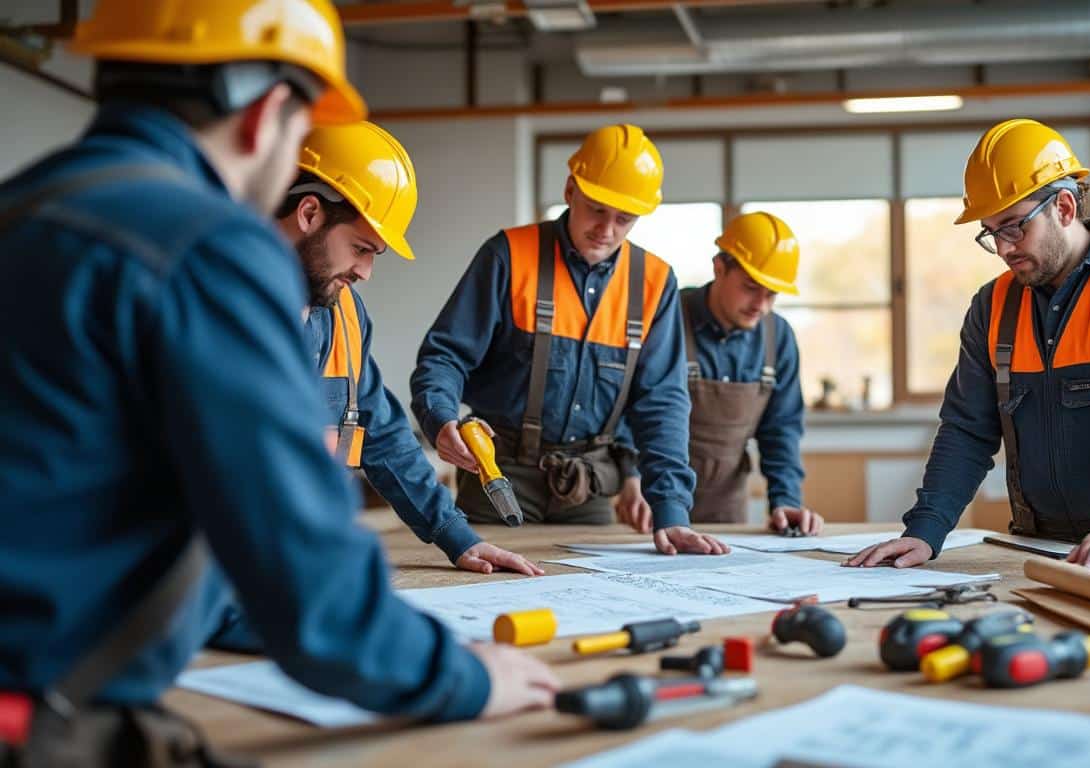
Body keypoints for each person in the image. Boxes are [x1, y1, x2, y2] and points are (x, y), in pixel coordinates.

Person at [0, 1, 556, 763]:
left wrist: (451, 535)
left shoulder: (25, 211)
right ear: (267, 115)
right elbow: (310, 585)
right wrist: (460, 677)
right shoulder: (208, 246)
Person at [848, 118, 1090, 572]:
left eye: (1014, 227)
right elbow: (966, 429)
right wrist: (926, 530)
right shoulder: (992, 306)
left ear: (1066, 208)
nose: (1003, 248)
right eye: (991, 232)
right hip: (1047, 544)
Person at [411, 123, 727, 555]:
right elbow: (444, 356)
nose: (607, 230)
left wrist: (670, 508)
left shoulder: (654, 283)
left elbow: (662, 402)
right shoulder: (508, 255)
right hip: (498, 477)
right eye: (597, 209)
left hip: (589, 486)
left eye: (624, 219)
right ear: (570, 189)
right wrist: (440, 417)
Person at [276, 121, 541, 575]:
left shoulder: (344, 314)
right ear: (309, 213)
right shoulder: (213, 302)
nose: (365, 271)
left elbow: (380, 433)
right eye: (360, 248)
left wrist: (456, 536)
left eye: (374, 254)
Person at [615, 212, 819, 535]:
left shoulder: (777, 338)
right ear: (719, 267)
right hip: (648, 500)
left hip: (726, 506)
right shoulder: (668, 319)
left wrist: (785, 499)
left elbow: (781, 430)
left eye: (772, 295)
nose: (761, 305)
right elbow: (627, 404)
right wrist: (630, 475)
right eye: (751, 288)